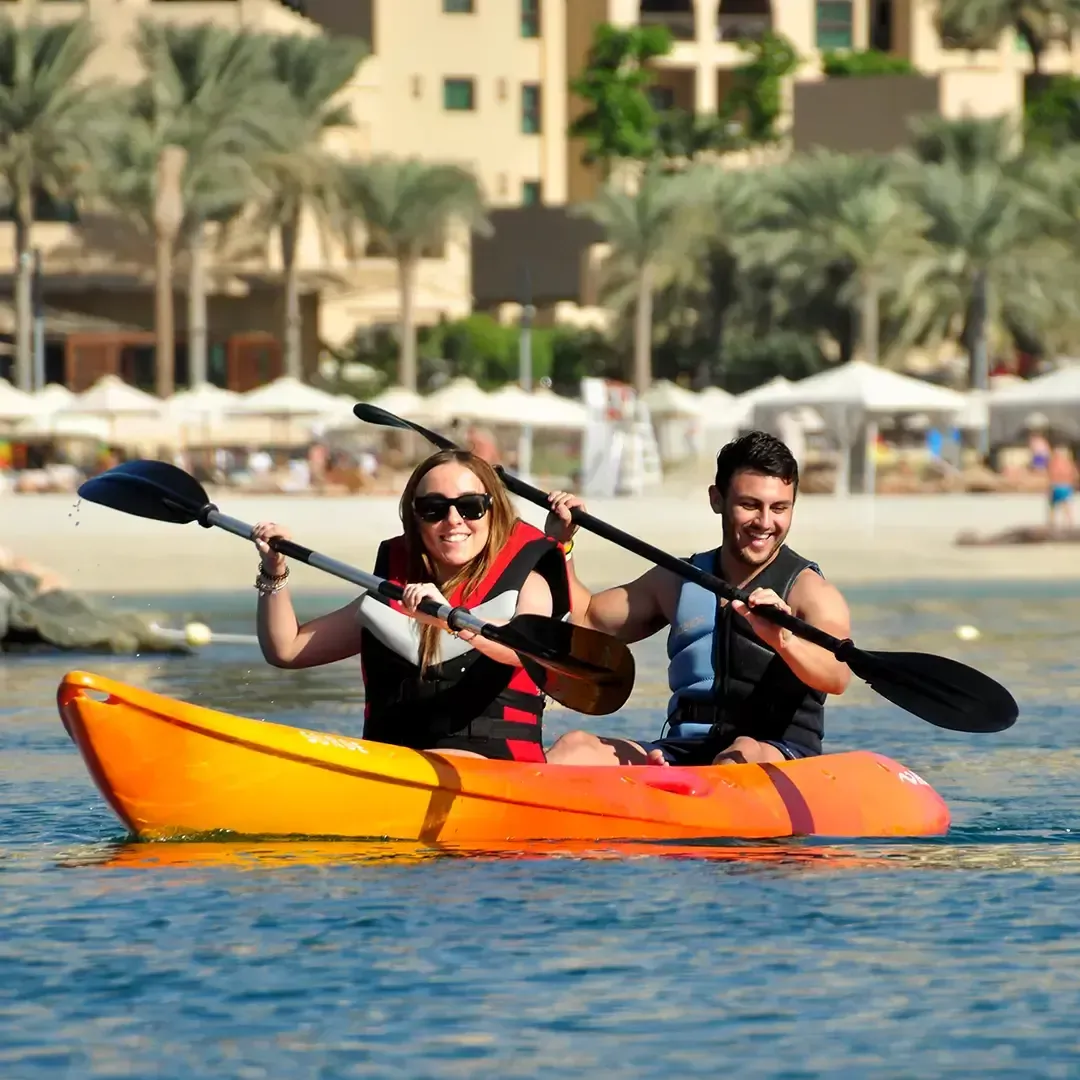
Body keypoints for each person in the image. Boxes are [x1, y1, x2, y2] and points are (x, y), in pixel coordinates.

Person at [543, 431, 853, 768]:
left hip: (774, 752)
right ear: (717, 500)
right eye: (749, 505)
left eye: (779, 508)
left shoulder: (810, 592)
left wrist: (784, 640)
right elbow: (585, 619)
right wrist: (561, 545)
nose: (765, 523)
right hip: (682, 751)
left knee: (738, 756)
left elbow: (837, 676)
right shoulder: (680, 579)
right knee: (574, 748)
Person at [251, 448, 571, 762]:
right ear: (416, 519)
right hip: (396, 761)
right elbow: (287, 649)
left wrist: (452, 621)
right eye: (433, 508)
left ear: (493, 511)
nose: (453, 520)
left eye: (470, 507)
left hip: (499, 767)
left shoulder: (530, 583)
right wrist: (273, 570)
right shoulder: (393, 594)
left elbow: (528, 648)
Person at [1047, 442, 1079, 532]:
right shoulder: (1067, 463)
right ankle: (1069, 524)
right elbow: (1075, 475)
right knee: (1064, 506)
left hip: (1058, 486)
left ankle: (1054, 524)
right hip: (1064, 486)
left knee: (1055, 506)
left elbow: (1051, 475)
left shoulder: (1055, 463)